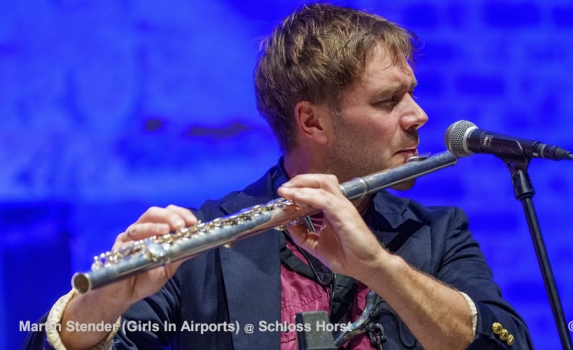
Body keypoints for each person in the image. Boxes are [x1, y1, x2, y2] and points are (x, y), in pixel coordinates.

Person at [24, 3, 532, 349]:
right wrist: (100, 303)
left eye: (412, 93)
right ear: (312, 121)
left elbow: (502, 339)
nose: (418, 115)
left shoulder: (436, 235)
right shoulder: (208, 242)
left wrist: (379, 267)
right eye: (388, 100)